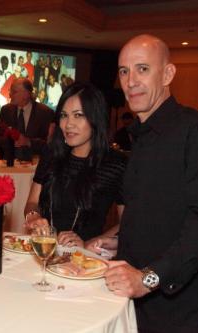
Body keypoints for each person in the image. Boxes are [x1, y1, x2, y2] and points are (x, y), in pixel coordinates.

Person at [97, 34, 198, 333]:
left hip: (175, 306)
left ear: (168, 74)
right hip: (132, 296)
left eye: (142, 69)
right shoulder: (139, 136)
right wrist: (121, 240)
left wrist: (148, 279)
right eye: (123, 71)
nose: (130, 81)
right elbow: (160, 214)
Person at [24, 82, 126, 248]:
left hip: (84, 261)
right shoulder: (52, 154)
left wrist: (90, 243)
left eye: (78, 115)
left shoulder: (115, 164)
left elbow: (127, 223)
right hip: (45, 249)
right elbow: (31, 202)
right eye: (64, 115)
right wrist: (33, 216)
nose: (68, 124)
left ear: (95, 118)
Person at [0, 78, 54, 161]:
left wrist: (28, 142)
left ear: (26, 94)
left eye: (14, 91)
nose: (10, 94)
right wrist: (11, 142)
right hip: (9, 165)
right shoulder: (6, 110)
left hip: (34, 167)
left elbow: (49, 143)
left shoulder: (45, 112)